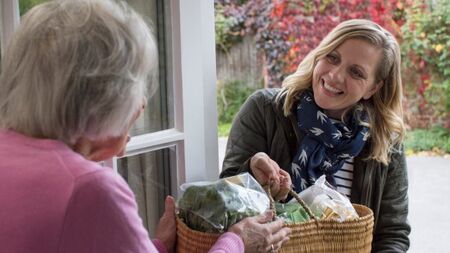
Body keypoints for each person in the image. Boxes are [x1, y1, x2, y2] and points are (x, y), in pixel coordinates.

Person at [0, 0, 290, 253]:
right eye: (137, 84)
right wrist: (237, 241)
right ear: (102, 97)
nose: (142, 104)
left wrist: (158, 246)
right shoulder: (90, 190)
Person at [221, 19, 410, 252]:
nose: (335, 76)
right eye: (333, 57)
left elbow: (392, 235)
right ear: (319, 55)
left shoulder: (384, 140)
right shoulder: (264, 110)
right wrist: (252, 173)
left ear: (373, 88)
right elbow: (223, 203)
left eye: (356, 72)